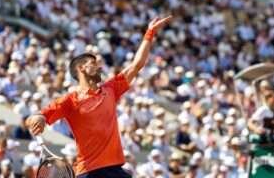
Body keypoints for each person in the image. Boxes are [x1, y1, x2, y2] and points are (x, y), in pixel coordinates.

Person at [26, 15, 172, 177]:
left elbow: (136, 65)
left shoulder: (111, 89)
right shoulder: (69, 100)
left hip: (114, 169)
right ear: (81, 68)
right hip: (88, 171)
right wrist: (38, 117)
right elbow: (33, 119)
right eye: (94, 63)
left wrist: (149, 33)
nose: (99, 66)